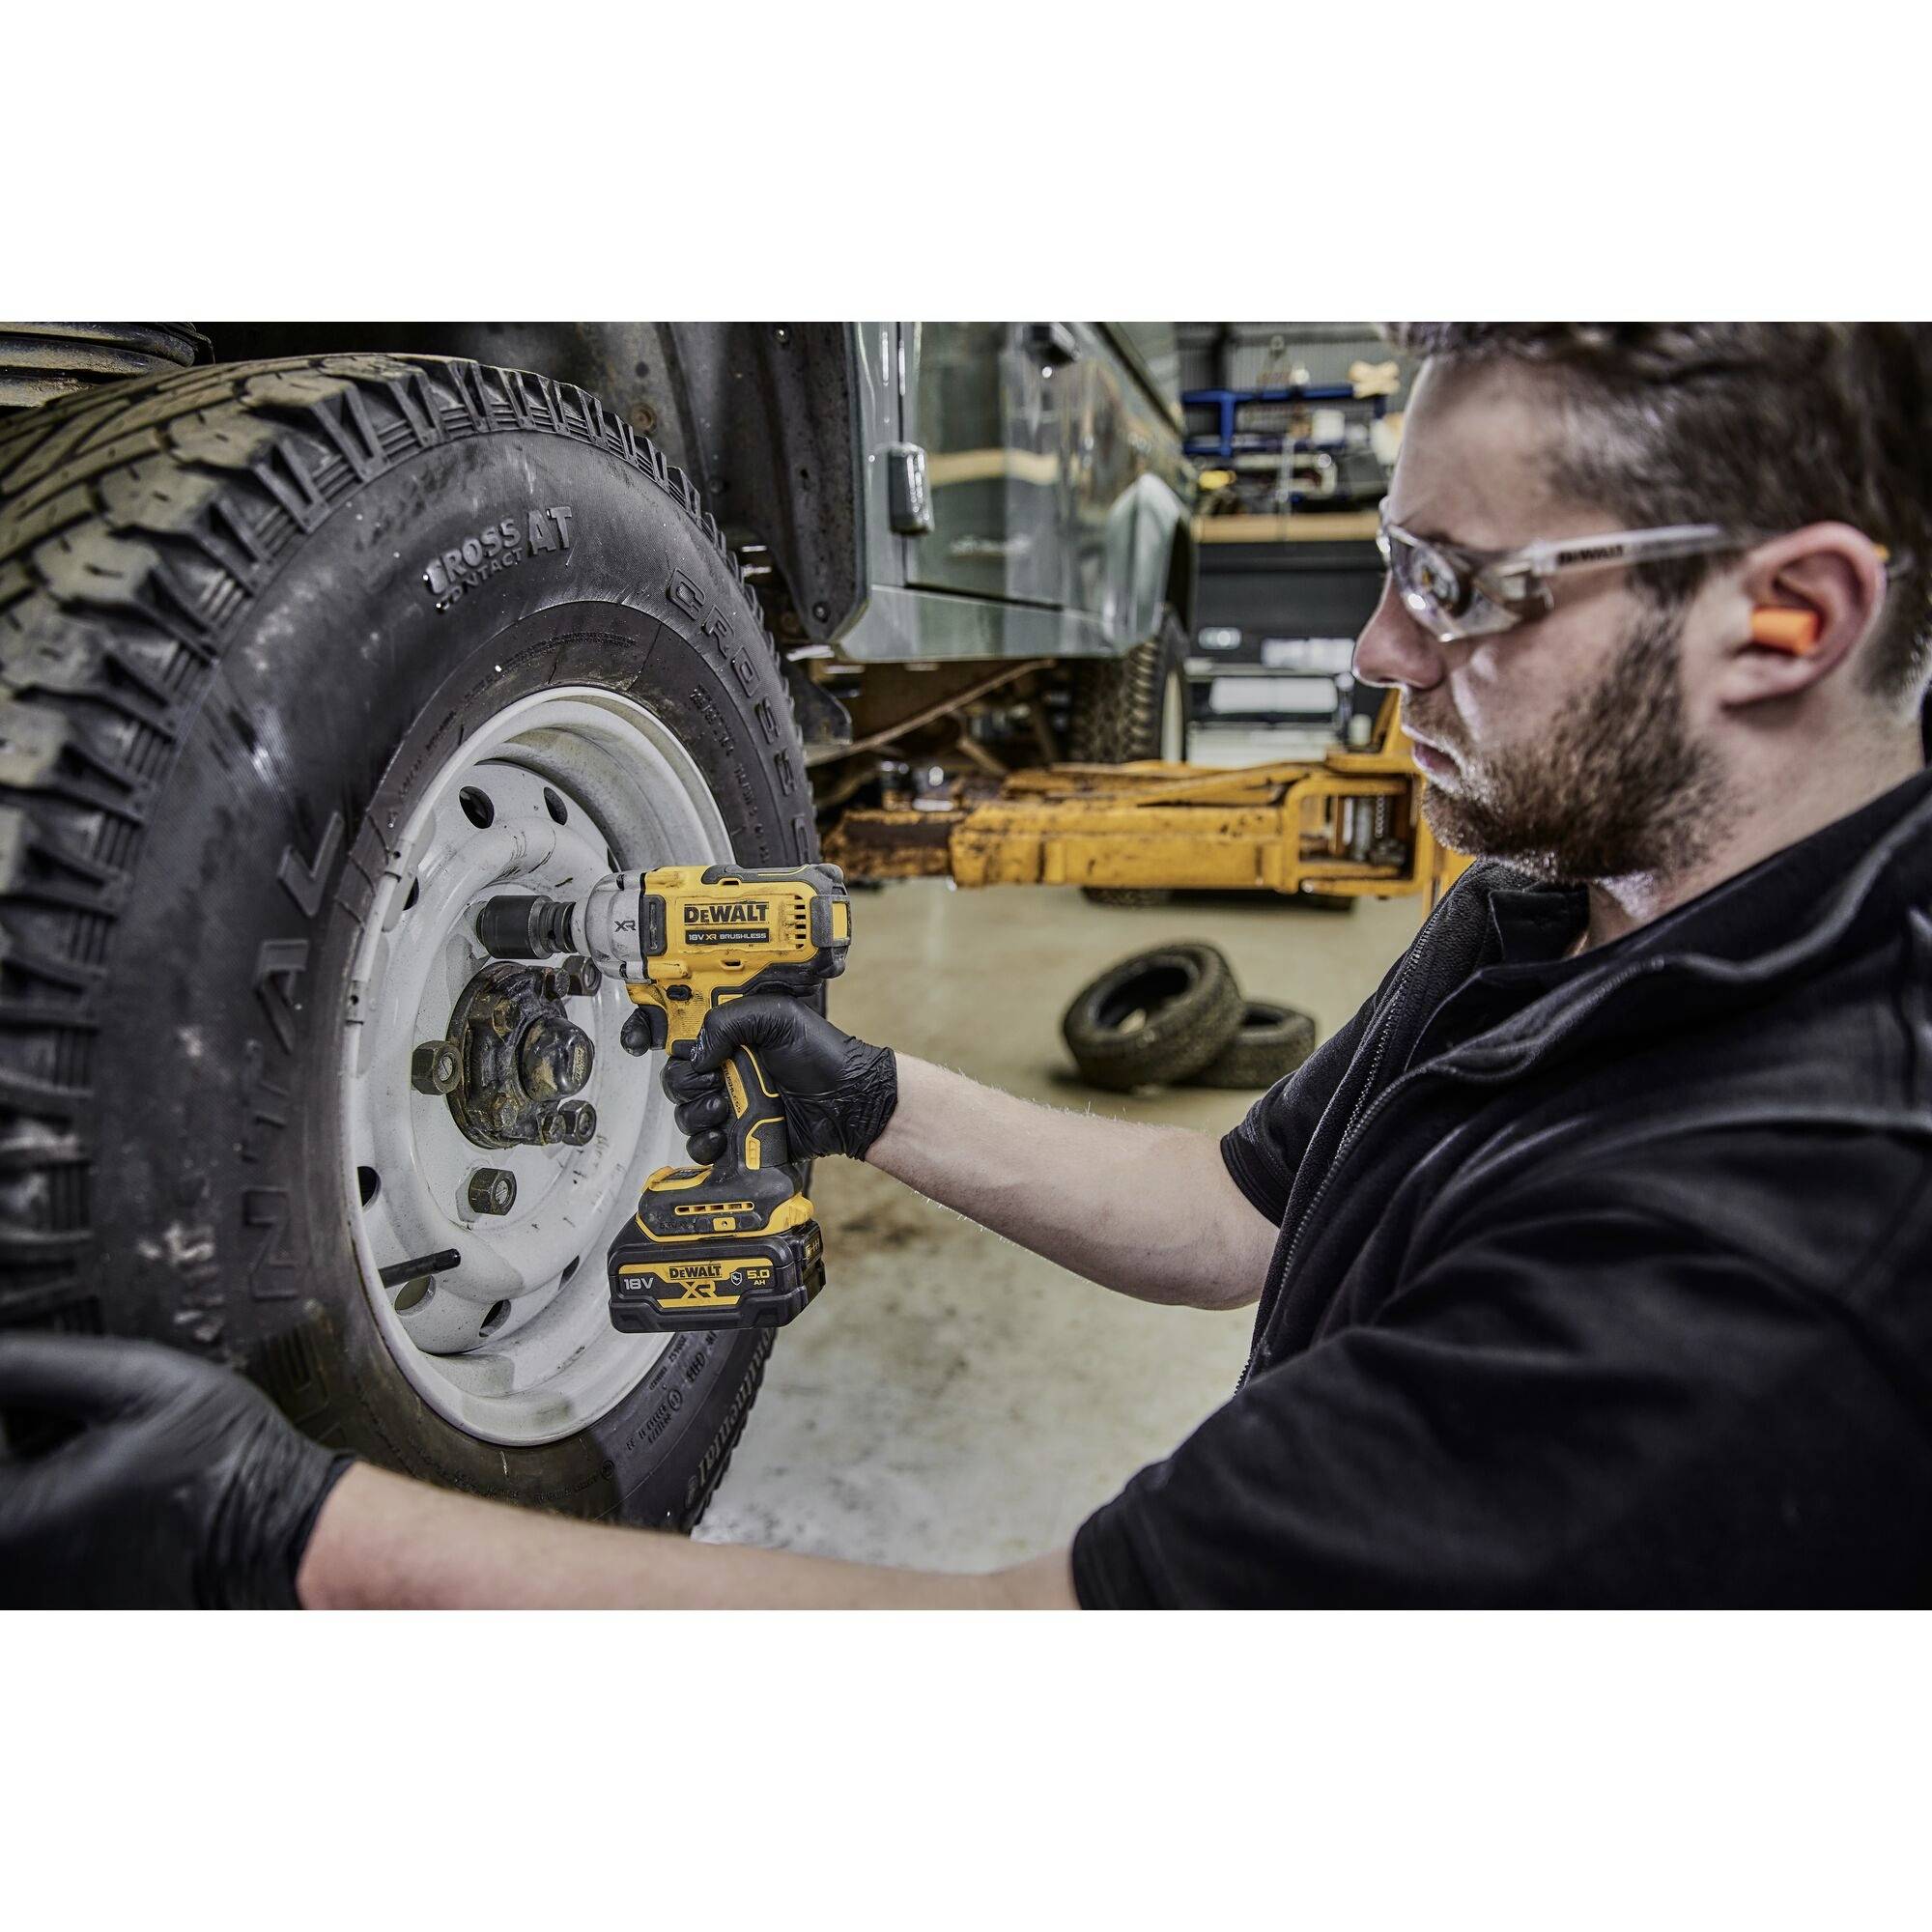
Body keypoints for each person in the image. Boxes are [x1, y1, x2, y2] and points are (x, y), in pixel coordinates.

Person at [5, 322, 1930, 1608]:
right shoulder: (1575, 892)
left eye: (1453, 587)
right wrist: (868, 1096)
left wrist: (294, 1528)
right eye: (1383, 562)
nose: (1367, 655)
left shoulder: (1778, 1245)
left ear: (1785, 617)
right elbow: (1236, 1212)